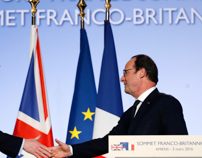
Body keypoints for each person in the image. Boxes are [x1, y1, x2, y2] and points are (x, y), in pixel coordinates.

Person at [50, 54, 188, 158]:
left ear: (142, 72)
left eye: (126, 72)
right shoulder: (129, 113)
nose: (122, 78)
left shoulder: (166, 103)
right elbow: (108, 142)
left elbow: (179, 146)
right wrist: (71, 150)